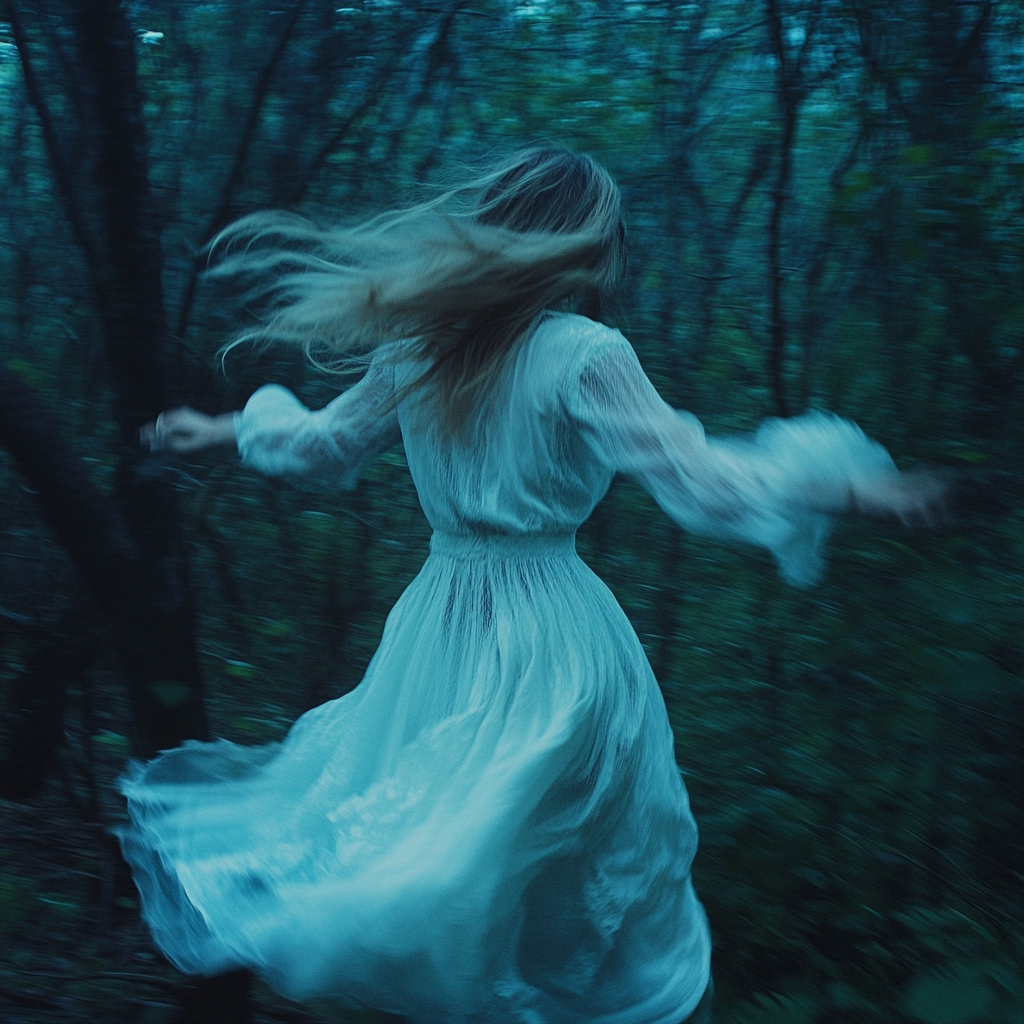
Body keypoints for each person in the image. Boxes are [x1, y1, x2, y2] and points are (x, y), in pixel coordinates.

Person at [124, 148, 943, 1024]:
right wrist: (859, 489)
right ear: (587, 246)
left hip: (437, 631)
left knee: (460, 853)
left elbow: (318, 447)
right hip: (554, 641)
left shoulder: (419, 347)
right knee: (580, 870)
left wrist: (216, 430)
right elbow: (705, 484)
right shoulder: (584, 354)